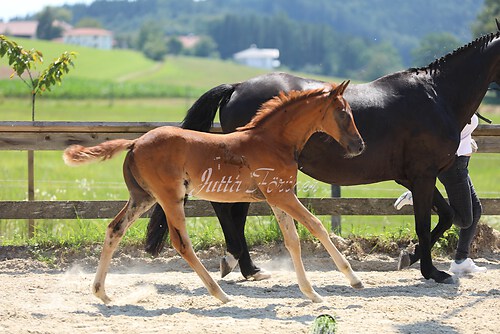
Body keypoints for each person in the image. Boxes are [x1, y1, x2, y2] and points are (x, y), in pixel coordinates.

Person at [394, 114, 487, 275]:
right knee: (464, 220)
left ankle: (461, 261)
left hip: (460, 163)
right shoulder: (456, 97)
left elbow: (459, 127)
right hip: (454, 164)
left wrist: (466, 139)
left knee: (476, 210)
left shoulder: (467, 97)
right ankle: (421, 197)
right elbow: (446, 128)